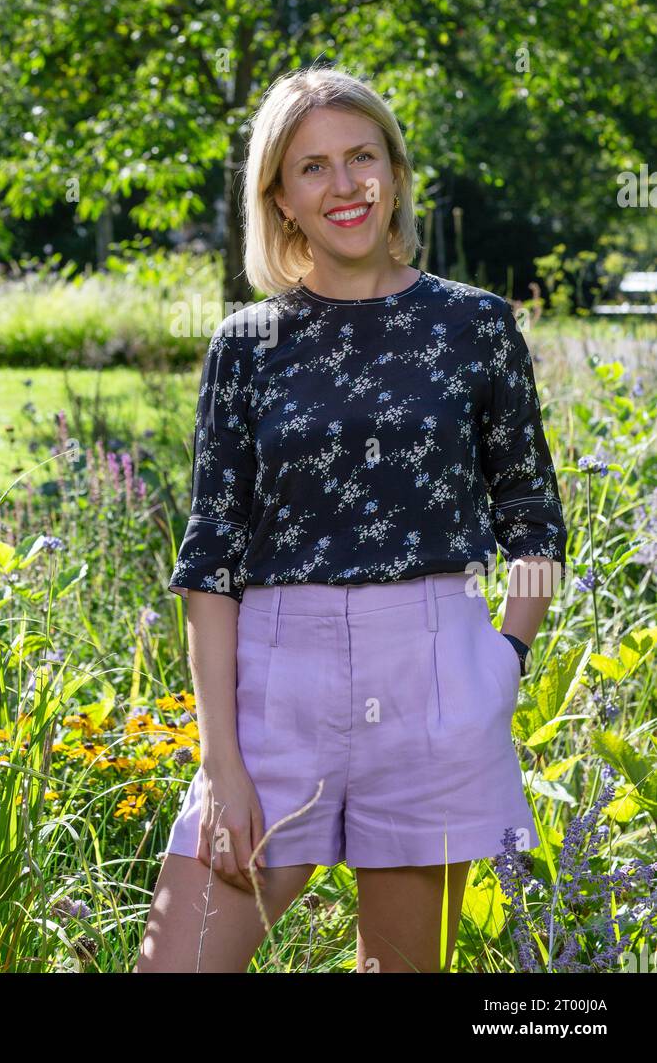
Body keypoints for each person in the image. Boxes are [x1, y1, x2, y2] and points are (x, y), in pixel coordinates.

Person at [134, 65, 567, 974]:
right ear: (280, 200)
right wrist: (221, 764)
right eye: (313, 167)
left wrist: (502, 661)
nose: (344, 185)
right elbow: (209, 560)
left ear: (396, 172)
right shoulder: (246, 346)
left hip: (435, 674)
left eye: (361, 156)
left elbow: (533, 520)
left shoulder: (475, 326)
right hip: (273, 689)